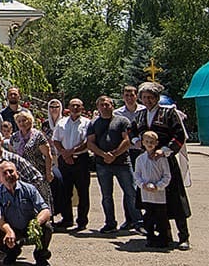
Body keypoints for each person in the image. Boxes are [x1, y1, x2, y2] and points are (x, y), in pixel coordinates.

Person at [131, 82, 192, 249]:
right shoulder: (140, 115)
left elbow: (179, 135)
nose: (147, 101)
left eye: (150, 97)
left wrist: (165, 150)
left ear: (157, 98)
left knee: (176, 200)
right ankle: (161, 235)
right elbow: (132, 131)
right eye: (144, 98)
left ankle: (184, 236)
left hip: (165, 160)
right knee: (151, 201)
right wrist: (136, 141)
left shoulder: (168, 113)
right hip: (146, 162)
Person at [87, 95, 139, 232]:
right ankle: (110, 223)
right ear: (97, 107)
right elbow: (90, 143)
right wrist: (104, 155)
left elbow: (127, 140)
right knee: (106, 196)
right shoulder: (93, 124)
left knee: (131, 192)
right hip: (102, 164)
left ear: (112, 106)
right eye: (102, 105)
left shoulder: (122, 121)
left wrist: (114, 154)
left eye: (107, 104)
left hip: (122, 162)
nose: (105, 107)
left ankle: (138, 222)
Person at [0, 160, 53, 266]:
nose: (8, 175)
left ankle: (41, 256)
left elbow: (45, 210)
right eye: (4, 173)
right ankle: (12, 252)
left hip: (29, 226)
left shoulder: (29, 189)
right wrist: (8, 231)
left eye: (11, 172)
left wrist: (36, 223)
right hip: (11, 227)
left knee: (47, 228)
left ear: (17, 174)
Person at [52, 98, 91, 230]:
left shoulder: (87, 123)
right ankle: (67, 219)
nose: (75, 108)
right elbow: (55, 140)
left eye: (78, 106)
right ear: (68, 107)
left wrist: (72, 152)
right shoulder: (61, 123)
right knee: (65, 191)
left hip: (81, 160)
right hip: (64, 160)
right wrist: (64, 153)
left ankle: (82, 221)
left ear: (82, 108)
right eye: (73, 105)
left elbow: (88, 142)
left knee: (83, 192)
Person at [133, 130, 173, 248]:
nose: (149, 144)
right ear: (143, 143)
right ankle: (150, 238)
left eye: (152, 142)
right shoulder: (140, 159)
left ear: (156, 143)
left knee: (161, 218)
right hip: (146, 194)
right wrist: (142, 185)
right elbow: (137, 175)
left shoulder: (161, 159)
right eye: (147, 142)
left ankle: (163, 239)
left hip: (159, 195)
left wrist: (159, 186)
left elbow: (167, 175)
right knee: (148, 217)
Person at [10, 110, 55, 205]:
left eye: (24, 120)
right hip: (21, 174)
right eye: (19, 121)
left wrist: (48, 172)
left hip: (37, 173)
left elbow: (48, 155)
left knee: (40, 200)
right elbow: (11, 155)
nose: (22, 123)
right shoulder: (14, 137)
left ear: (30, 121)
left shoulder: (38, 136)